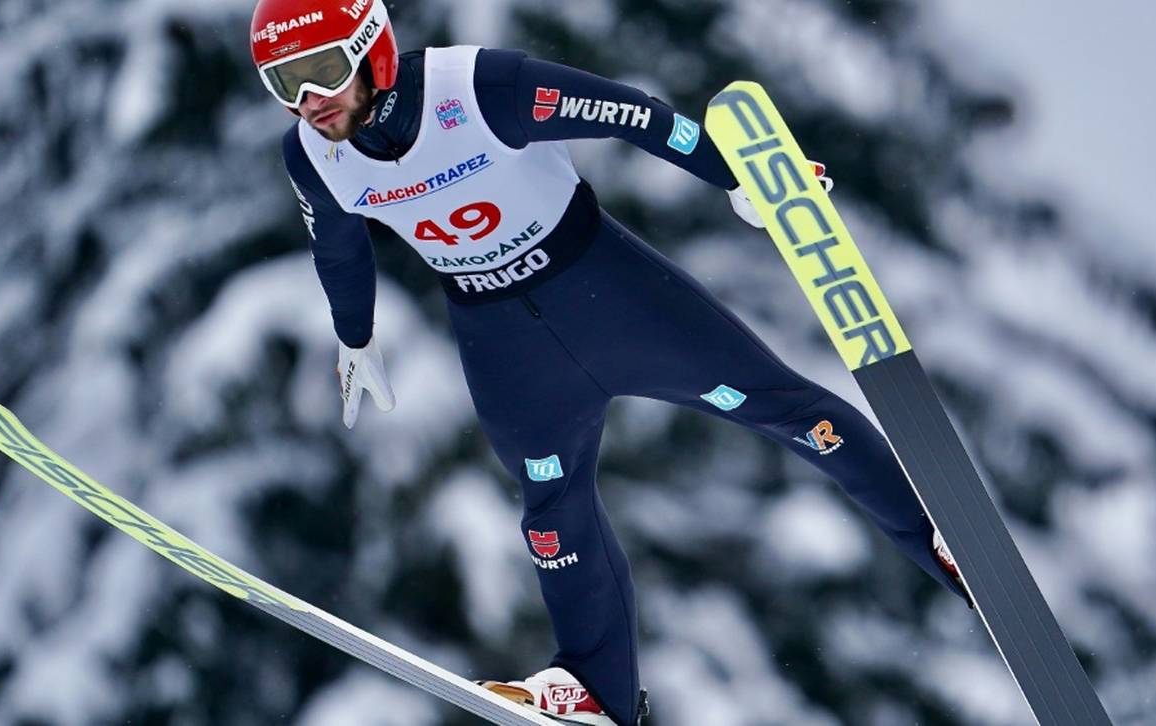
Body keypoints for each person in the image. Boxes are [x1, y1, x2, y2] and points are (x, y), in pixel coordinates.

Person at [250, 1, 968, 723]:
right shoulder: (310, 154)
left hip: (610, 295)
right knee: (551, 517)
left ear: (373, 53)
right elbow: (337, 244)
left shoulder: (475, 89)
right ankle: (596, 689)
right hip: (504, 345)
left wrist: (734, 178)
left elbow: (636, 116)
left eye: (321, 71)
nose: (308, 101)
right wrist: (355, 334)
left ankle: (938, 534)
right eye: (283, 83)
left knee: (784, 408)